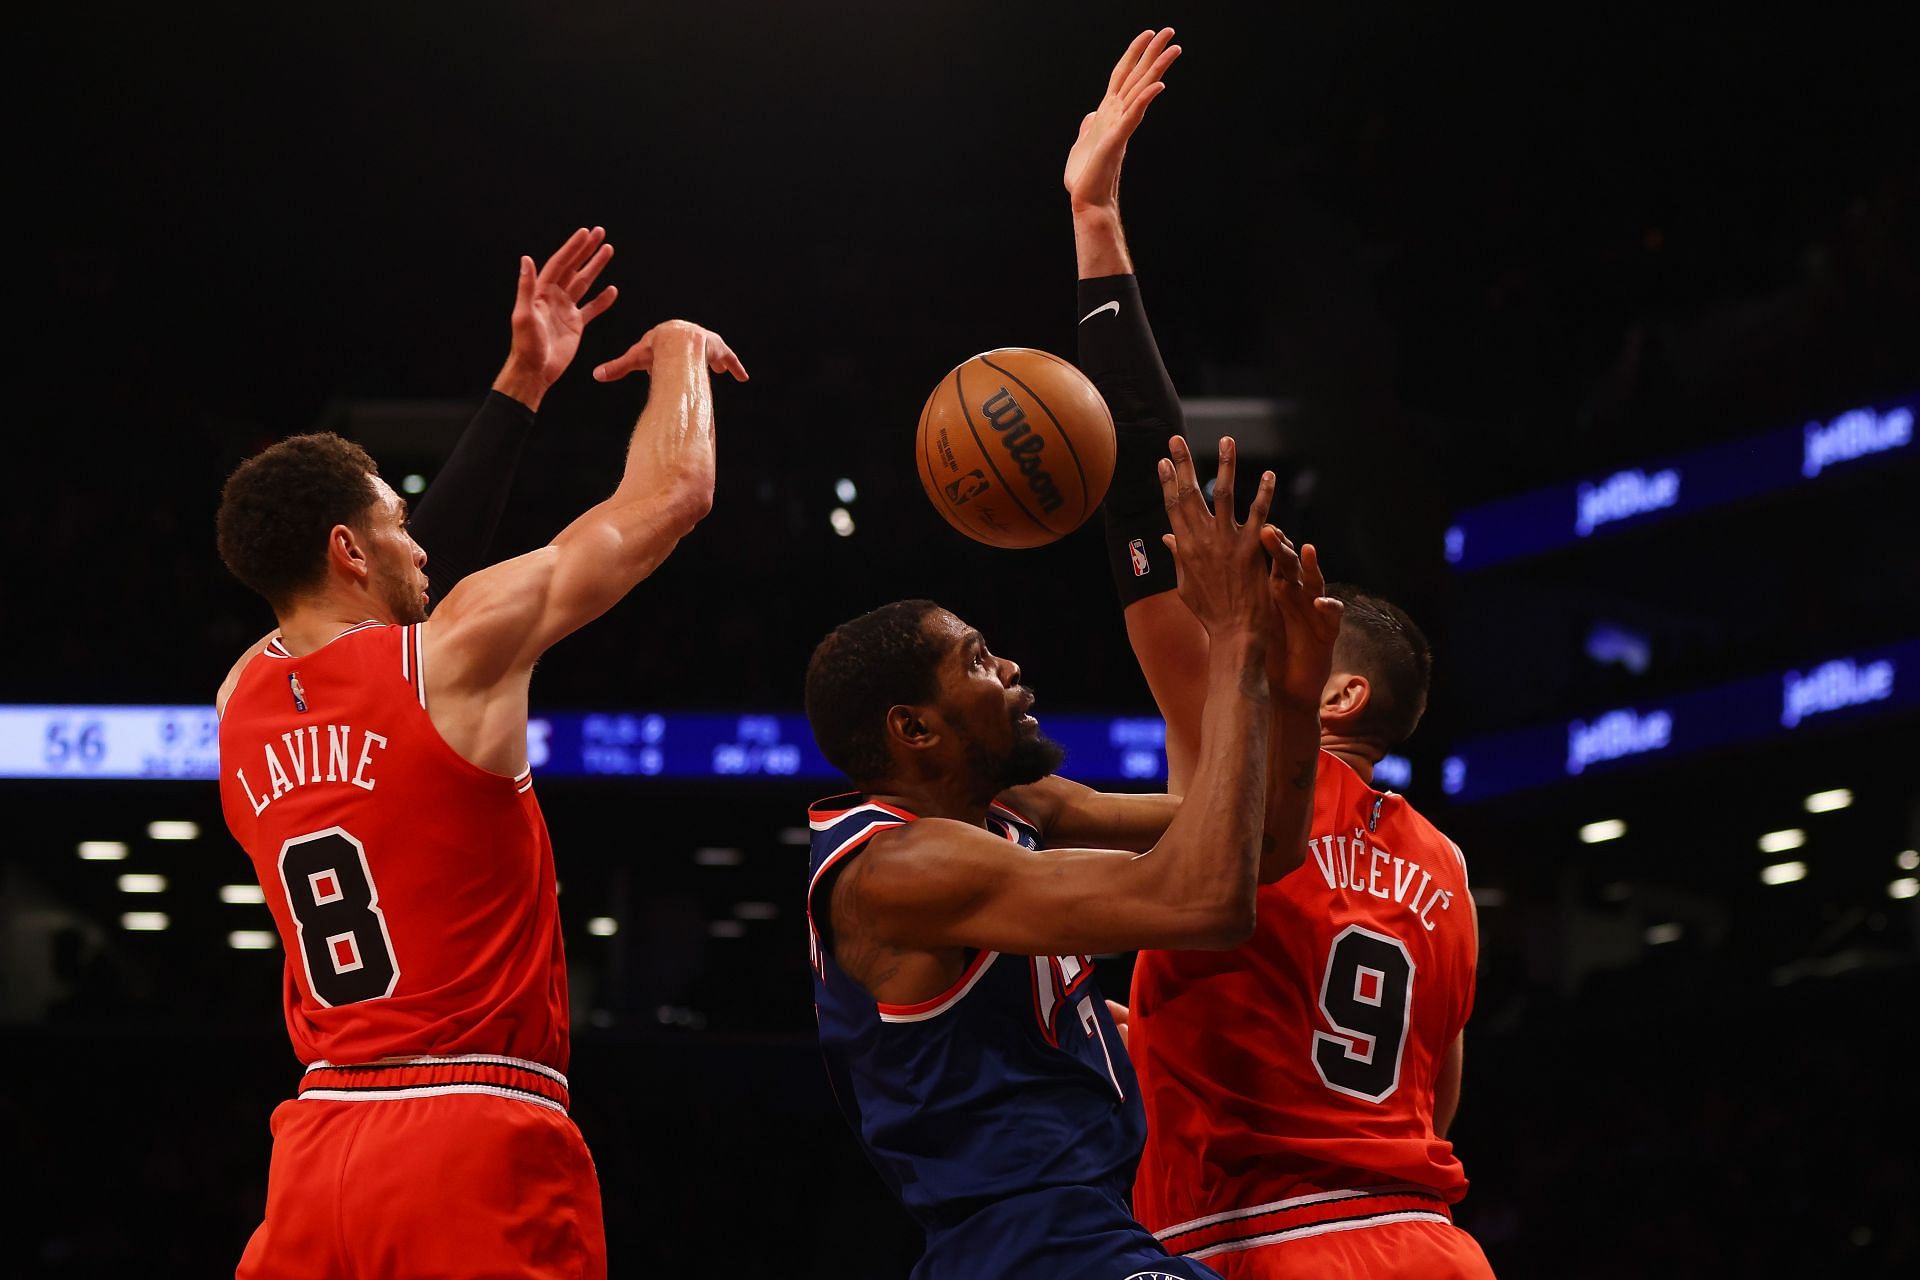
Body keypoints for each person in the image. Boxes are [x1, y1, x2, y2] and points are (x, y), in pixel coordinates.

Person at [213, 227, 747, 1278]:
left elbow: (390, 605)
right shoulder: (454, 655)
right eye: (399, 521)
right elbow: (672, 494)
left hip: (317, 1150)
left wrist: (522, 382)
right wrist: (681, 348)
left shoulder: (238, 701)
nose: (424, 542)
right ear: (348, 549)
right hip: (472, 1131)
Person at [1067, 30, 1493, 1278]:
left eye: (1307, 616)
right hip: (1427, 1240)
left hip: (1265, 1239)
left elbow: (1148, 486)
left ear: (1340, 685)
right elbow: (1438, 1096)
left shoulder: (1245, 761)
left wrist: (1095, 221)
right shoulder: (1449, 867)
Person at [803, 438, 1333, 1280]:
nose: (1011, 667)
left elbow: (1260, 847)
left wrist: (1294, 698)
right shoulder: (901, 869)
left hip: (1073, 1233)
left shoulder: (1011, 805)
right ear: (915, 729)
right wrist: (1232, 637)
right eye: (977, 660)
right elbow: (1205, 902)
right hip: (1033, 1242)